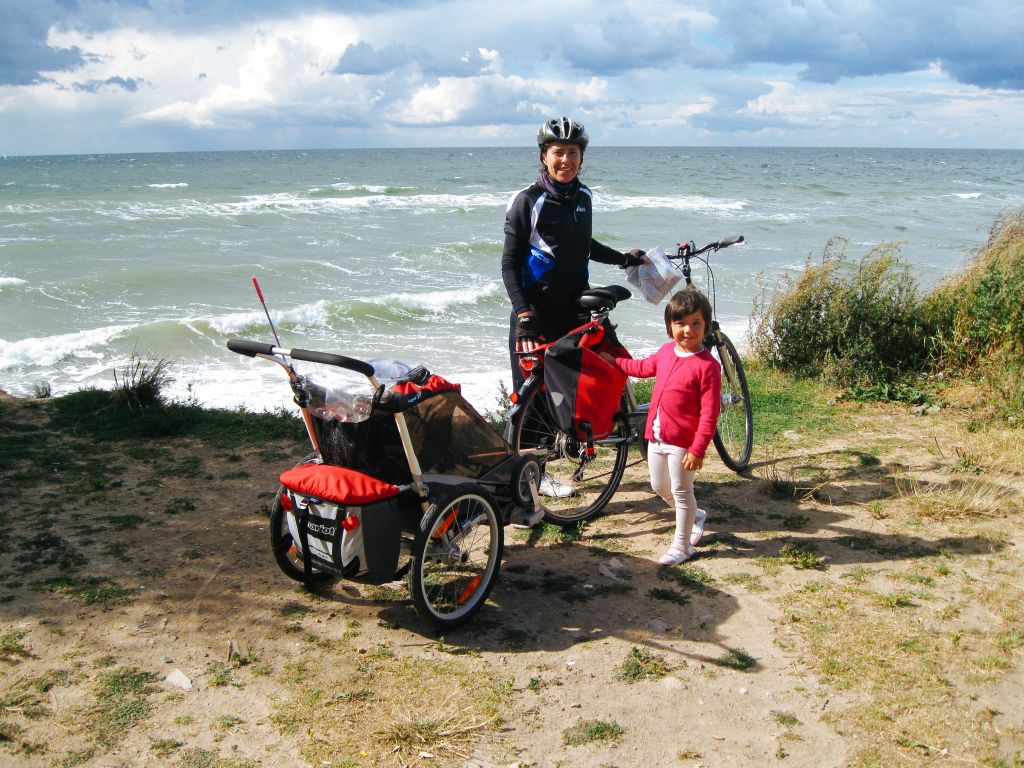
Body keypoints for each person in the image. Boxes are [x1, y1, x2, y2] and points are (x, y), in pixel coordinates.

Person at [501, 116, 644, 393]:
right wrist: (523, 315)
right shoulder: (528, 201)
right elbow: (509, 265)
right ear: (544, 156)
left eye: (572, 152)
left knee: (577, 397)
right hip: (536, 315)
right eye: (558, 152)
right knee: (532, 404)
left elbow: (582, 245)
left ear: (582, 157)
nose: (565, 160)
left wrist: (625, 260)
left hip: (575, 312)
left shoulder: (584, 197)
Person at [602, 287, 721, 564]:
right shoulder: (667, 351)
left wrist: (698, 449)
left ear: (706, 326)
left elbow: (709, 413)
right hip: (655, 437)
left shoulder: (708, 366)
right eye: (680, 323)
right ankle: (695, 515)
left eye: (696, 324)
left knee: (682, 491)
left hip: (683, 443)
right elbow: (642, 368)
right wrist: (615, 362)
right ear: (670, 327)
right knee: (658, 485)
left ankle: (683, 546)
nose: (688, 330)